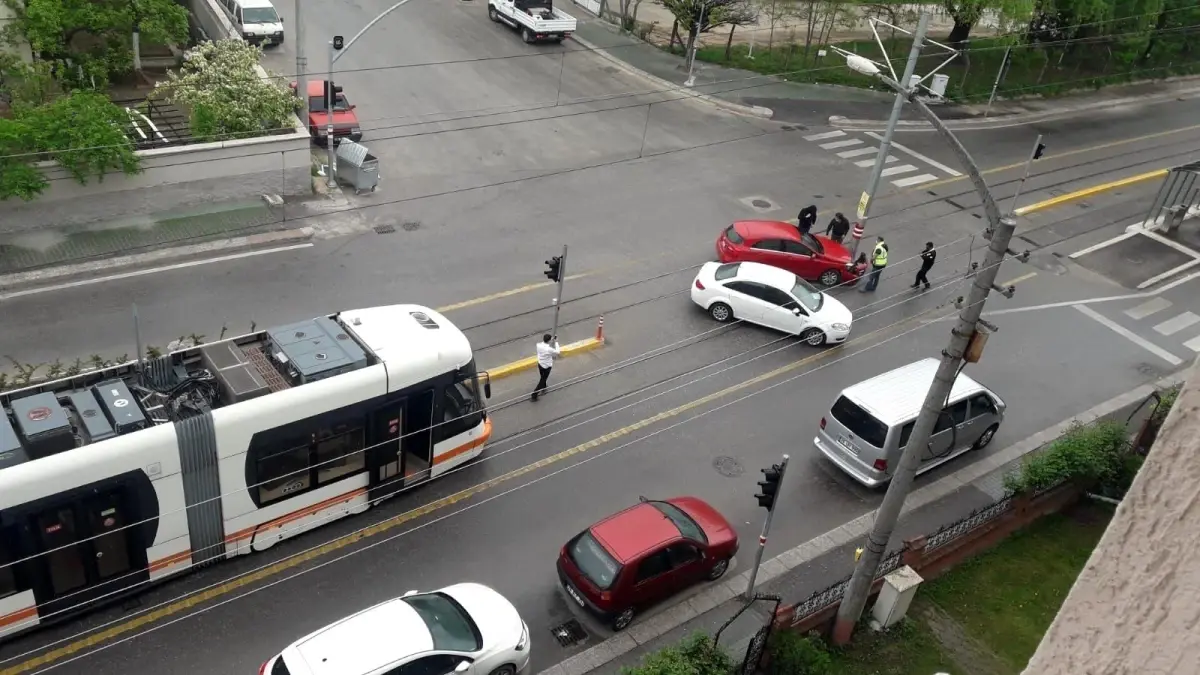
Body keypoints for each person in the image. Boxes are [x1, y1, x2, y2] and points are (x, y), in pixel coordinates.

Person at [531, 333, 560, 402]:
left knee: (542, 377)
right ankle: (534, 394)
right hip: (547, 366)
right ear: (549, 340)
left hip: (540, 364)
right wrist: (556, 343)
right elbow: (558, 352)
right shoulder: (549, 349)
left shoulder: (538, 345)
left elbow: (546, 344)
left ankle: (544, 386)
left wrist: (551, 340)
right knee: (543, 380)